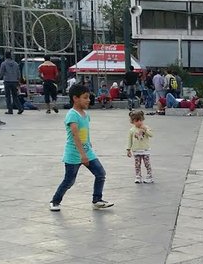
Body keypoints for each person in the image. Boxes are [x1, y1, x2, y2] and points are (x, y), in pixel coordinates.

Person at [49, 83, 113, 211]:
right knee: (69, 181)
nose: (88, 100)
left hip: (87, 151)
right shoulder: (72, 114)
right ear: (75, 98)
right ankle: (55, 201)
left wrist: (89, 145)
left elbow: (85, 133)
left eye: (88, 97)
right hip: (74, 154)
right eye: (85, 97)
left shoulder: (85, 114)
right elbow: (75, 135)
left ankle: (97, 200)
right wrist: (82, 154)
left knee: (100, 173)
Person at [126, 109, 154, 184]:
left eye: (140, 120)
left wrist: (145, 130)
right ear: (133, 122)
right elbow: (130, 140)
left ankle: (149, 176)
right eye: (136, 121)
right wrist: (128, 149)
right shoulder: (132, 130)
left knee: (147, 163)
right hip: (136, 150)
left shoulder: (146, 127)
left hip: (145, 149)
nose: (139, 122)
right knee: (137, 164)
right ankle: (138, 176)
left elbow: (151, 135)